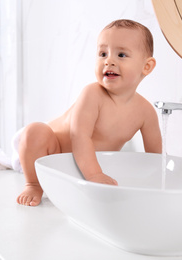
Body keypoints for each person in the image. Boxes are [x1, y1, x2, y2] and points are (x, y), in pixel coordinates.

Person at [17, 19, 162, 206]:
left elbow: (155, 158)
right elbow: (79, 136)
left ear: (146, 66)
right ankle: (33, 184)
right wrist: (95, 174)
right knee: (34, 132)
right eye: (103, 53)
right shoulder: (93, 94)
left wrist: (159, 184)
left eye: (121, 54)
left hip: (87, 169)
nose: (109, 60)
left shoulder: (145, 112)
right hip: (55, 155)